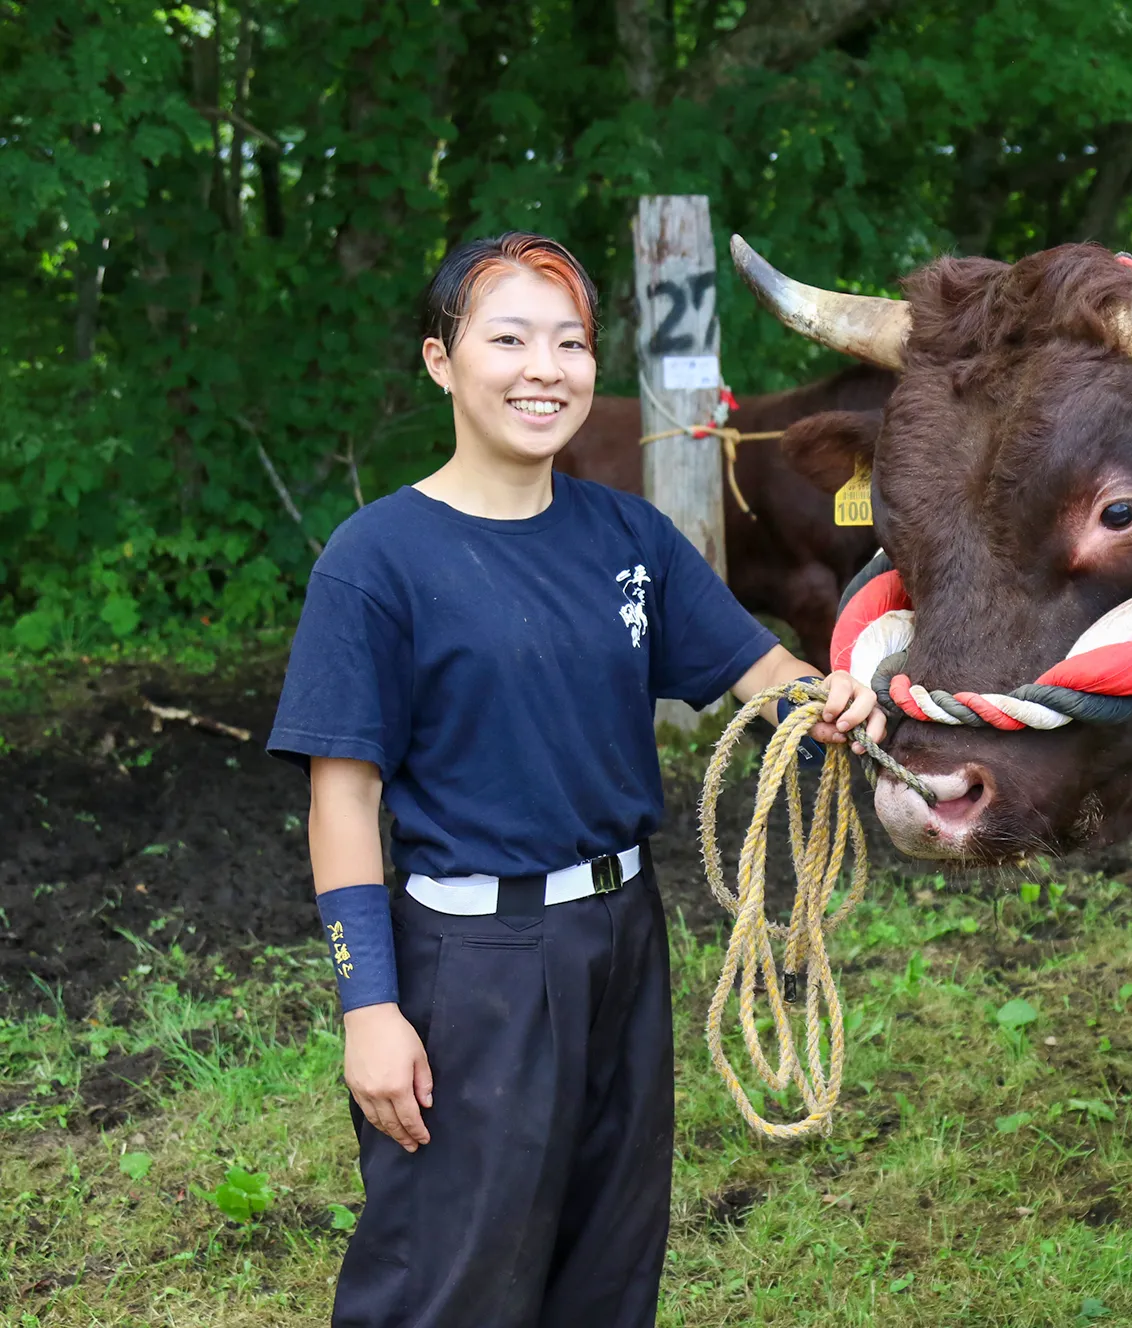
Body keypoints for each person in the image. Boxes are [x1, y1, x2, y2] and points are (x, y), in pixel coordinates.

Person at [267, 231, 885, 1327]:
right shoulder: (376, 560)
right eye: (508, 338)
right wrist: (369, 1003)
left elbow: (760, 671)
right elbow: (343, 799)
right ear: (440, 360)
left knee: (609, 1262)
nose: (543, 367)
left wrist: (829, 697)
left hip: (621, 938)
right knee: (450, 1277)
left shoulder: (628, 535)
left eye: (570, 341)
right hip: (471, 964)